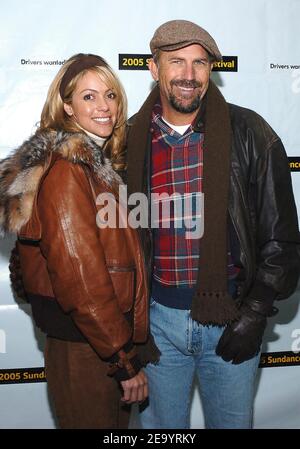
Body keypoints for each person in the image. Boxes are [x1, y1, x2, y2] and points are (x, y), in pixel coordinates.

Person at [126, 20, 300, 429]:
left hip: (230, 316)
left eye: (200, 63)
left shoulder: (251, 132)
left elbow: (282, 239)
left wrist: (255, 312)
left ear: (210, 71)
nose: (189, 75)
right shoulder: (129, 139)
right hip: (155, 326)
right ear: (154, 68)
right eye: (177, 62)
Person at [0, 53, 151, 429]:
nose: (104, 106)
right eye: (88, 96)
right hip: (91, 345)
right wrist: (122, 359)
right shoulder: (68, 170)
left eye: (110, 95)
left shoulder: (94, 167)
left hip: (95, 339)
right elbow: (81, 280)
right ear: (66, 106)